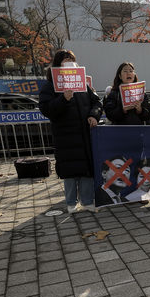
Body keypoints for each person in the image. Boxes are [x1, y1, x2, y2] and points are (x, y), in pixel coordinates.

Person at [39, 49, 102, 214]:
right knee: (70, 171)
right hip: (65, 136)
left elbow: (97, 103)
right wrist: (63, 99)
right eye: (65, 59)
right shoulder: (50, 85)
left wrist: (93, 115)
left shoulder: (83, 85)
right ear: (58, 64)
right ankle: (71, 203)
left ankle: (88, 201)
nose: (69, 62)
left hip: (84, 134)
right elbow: (46, 108)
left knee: (87, 169)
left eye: (72, 59)